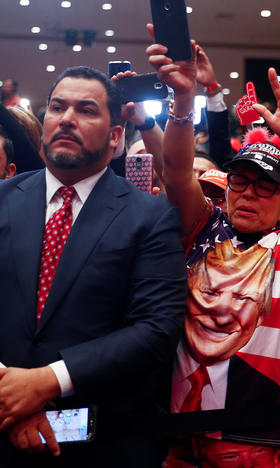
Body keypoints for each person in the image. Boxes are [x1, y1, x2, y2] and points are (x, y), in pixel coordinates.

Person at [147, 30, 280, 467]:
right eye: (241, 182)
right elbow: (175, 172)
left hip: (258, 440)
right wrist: (184, 101)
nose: (249, 193)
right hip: (179, 431)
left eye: (266, 187)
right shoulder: (204, 226)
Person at [0, 65, 187, 467]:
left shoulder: (149, 218)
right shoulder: (3, 199)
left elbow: (156, 329)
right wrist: (10, 396)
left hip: (99, 442)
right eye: (57, 107)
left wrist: (47, 381)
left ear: (116, 136)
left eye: (86, 110)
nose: (67, 119)